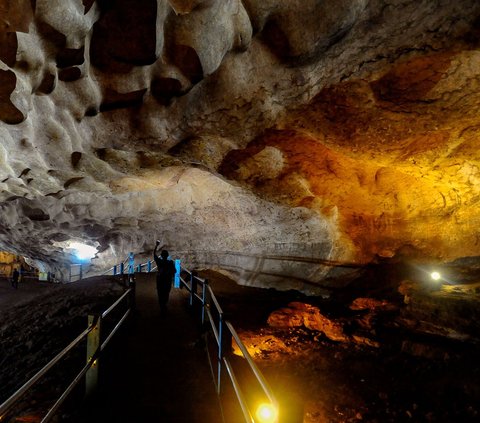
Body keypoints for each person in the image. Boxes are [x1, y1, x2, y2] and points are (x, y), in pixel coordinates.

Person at [153, 241, 175, 315]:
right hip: (167, 281)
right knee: (166, 293)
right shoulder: (170, 262)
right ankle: (164, 305)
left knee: (160, 293)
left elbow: (154, 255)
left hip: (160, 280)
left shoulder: (159, 261)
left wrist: (156, 246)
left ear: (161, 256)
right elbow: (174, 271)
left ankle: (162, 306)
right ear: (167, 255)